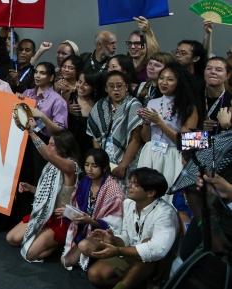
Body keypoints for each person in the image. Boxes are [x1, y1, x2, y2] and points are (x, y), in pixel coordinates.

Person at [84, 168, 178, 288]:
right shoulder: (128, 204)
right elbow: (126, 237)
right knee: (95, 274)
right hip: (130, 253)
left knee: (146, 243)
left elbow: (157, 250)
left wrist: (118, 251)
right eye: (130, 182)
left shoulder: (165, 214)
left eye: (136, 185)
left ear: (151, 193)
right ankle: (140, 284)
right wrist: (113, 240)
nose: (129, 186)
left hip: (155, 261)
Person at [6, 129, 80, 262]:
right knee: (12, 238)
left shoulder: (70, 166)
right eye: (48, 143)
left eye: (52, 145)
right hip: (45, 214)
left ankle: (59, 243)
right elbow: (49, 196)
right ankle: (44, 240)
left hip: (61, 220)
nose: (48, 147)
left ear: (62, 147)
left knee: (30, 254)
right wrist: (31, 188)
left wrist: (31, 131)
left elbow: (48, 155)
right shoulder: (50, 166)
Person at [137, 62, 199, 202]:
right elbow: (146, 139)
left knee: (167, 198)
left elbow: (185, 142)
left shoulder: (188, 107)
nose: (164, 82)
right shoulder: (152, 102)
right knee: (145, 194)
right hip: (151, 151)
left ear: (180, 82)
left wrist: (159, 122)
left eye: (170, 79)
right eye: (161, 78)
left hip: (172, 155)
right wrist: (146, 122)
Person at [61, 149, 125, 270]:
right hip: (85, 228)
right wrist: (69, 213)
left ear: (104, 168)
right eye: (87, 165)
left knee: (84, 246)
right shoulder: (86, 181)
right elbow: (79, 206)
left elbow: (114, 224)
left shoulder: (113, 190)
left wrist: (90, 221)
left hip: (103, 233)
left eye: (94, 166)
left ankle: (104, 259)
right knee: (66, 261)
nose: (89, 169)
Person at [87, 71, 144, 186]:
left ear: (126, 87)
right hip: (105, 155)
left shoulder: (134, 105)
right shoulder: (100, 105)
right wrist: (101, 160)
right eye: (111, 86)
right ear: (106, 88)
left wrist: (123, 165)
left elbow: (136, 140)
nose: (116, 89)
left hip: (127, 159)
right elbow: (95, 135)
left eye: (119, 85)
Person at [21, 62, 69, 184]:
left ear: (51, 77)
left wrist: (42, 116)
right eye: (36, 72)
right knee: (22, 176)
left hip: (44, 142)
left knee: (38, 177)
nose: (37, 75)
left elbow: (60, 130)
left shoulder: (57, 100)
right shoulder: (27, 93)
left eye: (42, 73)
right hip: (23, 139)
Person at [68, 69, 105, 156]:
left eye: (86, 84)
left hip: (90, 151)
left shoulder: (100, 105)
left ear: (94, 87)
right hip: (69, 149)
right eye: (79, 82)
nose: (80, 86)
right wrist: (65, 109)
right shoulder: (69, 97)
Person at [0, 27, 36, 93]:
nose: (23, 52)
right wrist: (5, 27)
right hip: (1, 98)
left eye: (27, 50)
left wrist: (17, 82)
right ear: (16, 51)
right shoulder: (7, 64)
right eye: (20, 49)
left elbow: (32, 94)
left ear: (33, 53)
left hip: (20, 99)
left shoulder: (34, 73)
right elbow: (0, 46)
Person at [202, 57, 232, 133]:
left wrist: (227, 127)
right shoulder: (193, 97)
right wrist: (199, 128)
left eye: (219, 70)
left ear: (227, 76)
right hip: (197, 140)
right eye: (209, 68)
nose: (212, 72)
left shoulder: (230, 100)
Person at [127, 17, 160, 83]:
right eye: (130, 43)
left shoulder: (150, 65)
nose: (132, 47)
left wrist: (148, 30)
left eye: (137, 43)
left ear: (146, 45)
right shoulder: (125, 63)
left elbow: (154, 50)